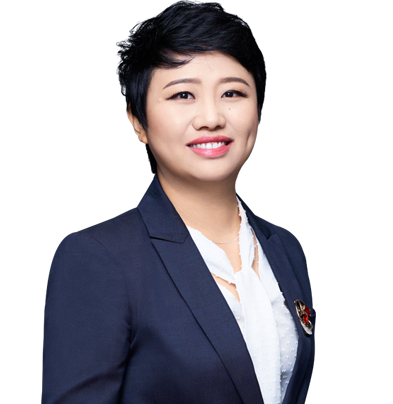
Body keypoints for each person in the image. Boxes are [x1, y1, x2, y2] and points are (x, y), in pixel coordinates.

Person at [40, 2, 315, 404]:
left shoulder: (283, 248)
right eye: (183, 94)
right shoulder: (101, 260)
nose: (211, 117)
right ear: (138, 120)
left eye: (233, 92)